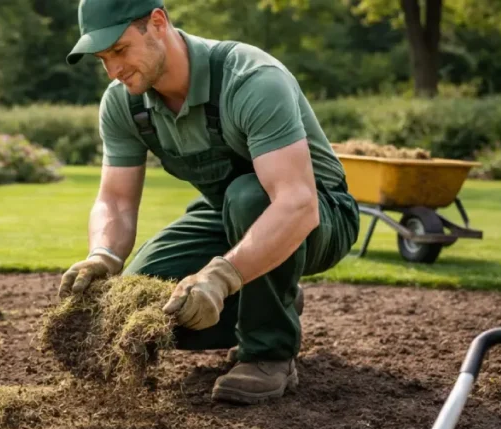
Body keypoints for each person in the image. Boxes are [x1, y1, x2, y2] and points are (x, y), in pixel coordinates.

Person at [57, 0, 360, 404]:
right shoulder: (125, 103)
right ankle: (266, 299)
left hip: (320, 216)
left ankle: (268, 353)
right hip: (225, 216)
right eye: (102, 59)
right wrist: (104, 256)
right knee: (143, 307)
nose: (114, 70)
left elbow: (296, 203)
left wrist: (219, 279)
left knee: (248, 195)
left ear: (158, 23)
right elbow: (115, 201)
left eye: (119, 50)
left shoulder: (251, 79)